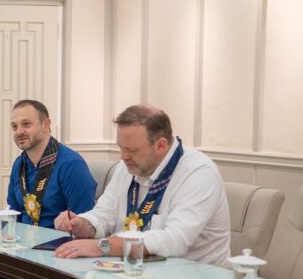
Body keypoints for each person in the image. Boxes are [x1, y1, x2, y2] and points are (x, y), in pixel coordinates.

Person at [53, 105, 231, 265]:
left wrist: (103, 246)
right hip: (137, 269)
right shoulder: (129, 165)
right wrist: (83, 224)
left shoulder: (199, 172)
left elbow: (175, 241)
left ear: (161, 145)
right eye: (121, 147)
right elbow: (104, 215)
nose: (123, 156)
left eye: (132, 150)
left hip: (194, 277)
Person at [7, 99, 97, 228]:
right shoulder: (19, 164)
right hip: (22, 239)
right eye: (14, 126)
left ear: (46, 124)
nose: (19, 132)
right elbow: (12, 215)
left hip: (59, 240)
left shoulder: (72, 165)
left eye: (26, 124)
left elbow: (83, 223)